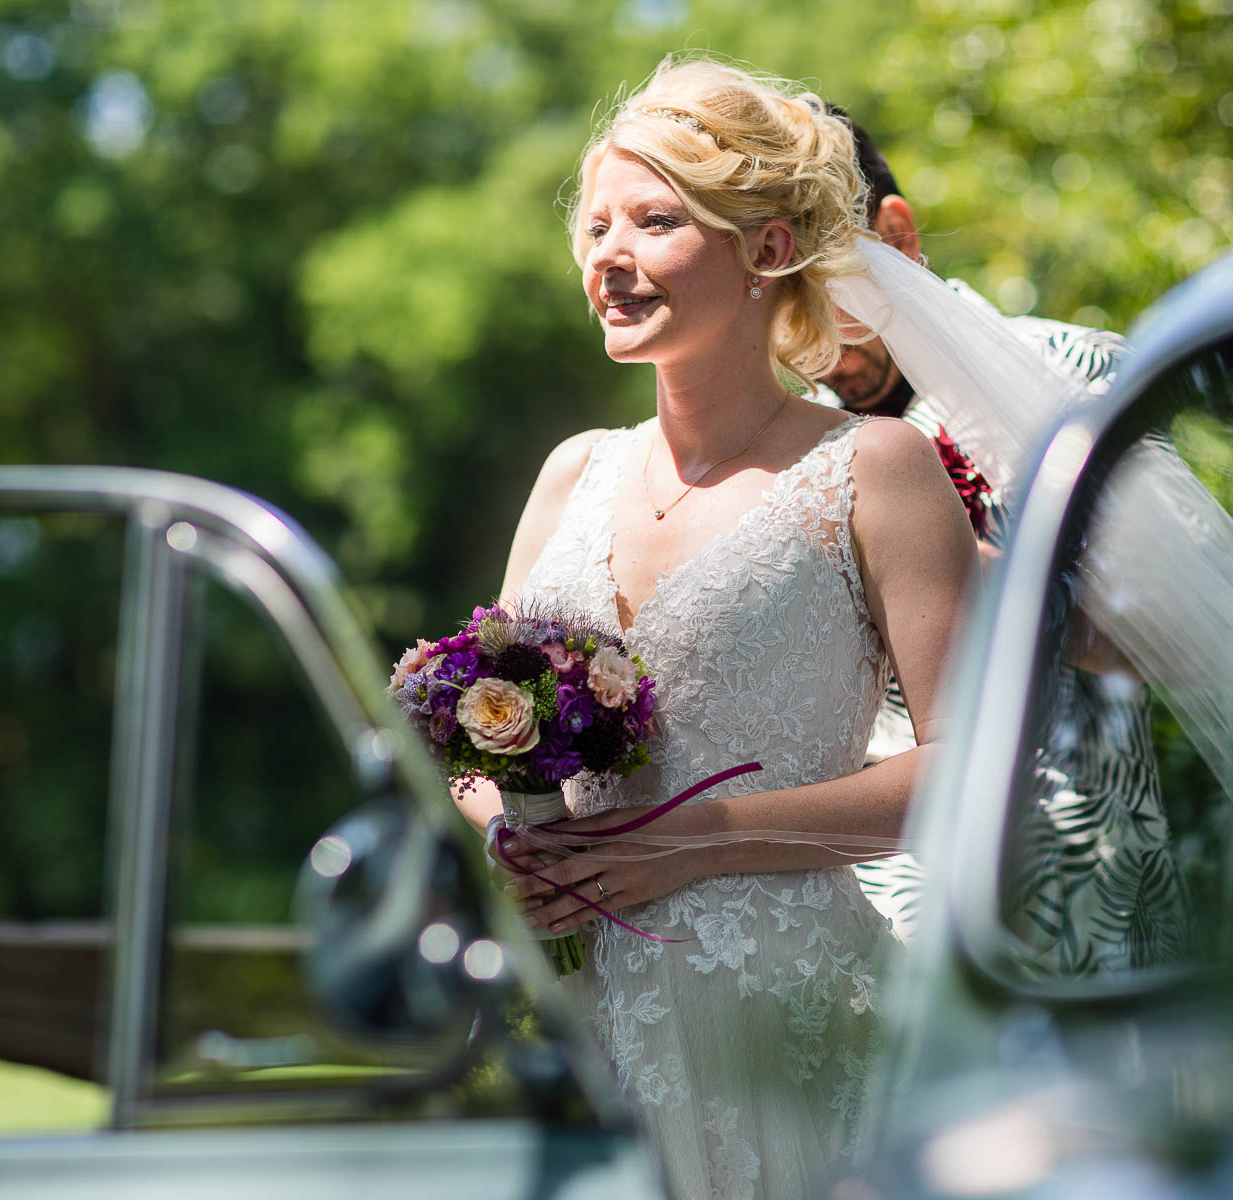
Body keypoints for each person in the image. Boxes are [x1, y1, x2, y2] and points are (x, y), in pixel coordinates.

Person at [450, 57, 979, 1197]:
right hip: (575, 1021)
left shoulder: (874, 470)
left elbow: (965, 774)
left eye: (654, 220)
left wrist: (698, 840)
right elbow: (470, 740)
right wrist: (511, 834)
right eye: (594, 227)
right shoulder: (571, 474)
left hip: (784, 1026)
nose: (607, 255)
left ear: (770, 250)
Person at [823, 115, 1188, 971]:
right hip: (861, 924)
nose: (813, 344)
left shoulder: (1073, 370)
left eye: (827, 289)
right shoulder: (787, 441)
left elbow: (1173, 635)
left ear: (898, 236)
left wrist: (948, 561)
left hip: (1074, 904)